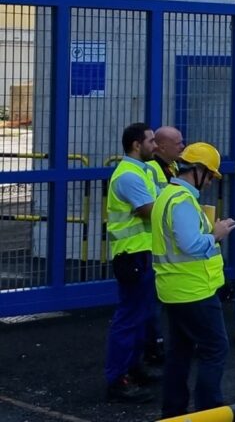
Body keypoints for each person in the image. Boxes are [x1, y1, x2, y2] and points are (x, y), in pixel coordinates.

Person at [152, 143, 235, 418]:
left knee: (180, 352)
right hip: (194, 290)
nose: (211, 181)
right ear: (197, 171)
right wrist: (217, 233)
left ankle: (173, 412)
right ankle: (209, 412)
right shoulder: (182, 201)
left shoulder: (167, 195)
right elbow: (190, 244)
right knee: (215, 349)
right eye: (210, 175)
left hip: (174, 289)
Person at [104, 122, 160, 403]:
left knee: (141, 316)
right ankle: (118, 378)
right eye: (151, 141)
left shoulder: (143, 171)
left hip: (143, 253)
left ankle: (133, 367)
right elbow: (150, 210)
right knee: (128, 319)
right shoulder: (128, 176)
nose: (155, 145)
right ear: (137, 145)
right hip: (132, 256)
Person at [144, 125, 185, 365]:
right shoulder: (150, 169)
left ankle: (163, 343)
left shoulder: (174, 166)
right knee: (153, 299)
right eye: (178, 142)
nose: (182, 146)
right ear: (161, 146)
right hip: (153, 242)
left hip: (170, 242)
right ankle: (153, 345)